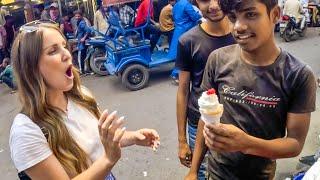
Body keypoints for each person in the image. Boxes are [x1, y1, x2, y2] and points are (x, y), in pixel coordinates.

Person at [9, 21, 160, 179]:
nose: (67, 54)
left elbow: (102, 140)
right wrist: (108, 160)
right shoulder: (25, 132)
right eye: (53, 51)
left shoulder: (81, 95)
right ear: (31, 68)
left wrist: (134, 137)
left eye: (64, 46)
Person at [188, 0, 317, 179]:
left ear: (275, 15)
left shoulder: (297, 74)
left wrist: (246, 144)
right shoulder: (218, 60)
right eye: (233, 17)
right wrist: (194, 171)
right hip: (215, 174)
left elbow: (294, 143)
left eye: (250, 14)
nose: (239, 27)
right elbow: (206, 118)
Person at [176, 0, 235, 179]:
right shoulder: (188, 41)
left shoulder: (242, 35)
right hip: (199, 125)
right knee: (201, 172)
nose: (214, 5)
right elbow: (183, 91)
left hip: (237, 122)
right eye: (205, 0)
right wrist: (182, 141)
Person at [169, 0, 202, 82]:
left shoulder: (175, 5)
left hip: (178, 31)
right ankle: (177, 74)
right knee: (188, 53)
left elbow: (174, 17)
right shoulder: (186, 4)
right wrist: (199, 15)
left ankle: (176, 73)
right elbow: (194, 17)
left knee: (180, 53)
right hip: (187, 30)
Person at [74, 10, 91, 75]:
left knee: (80, 57)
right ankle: (84, 70)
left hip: (82, 44)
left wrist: (83, 38)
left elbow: (88, 30)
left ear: (81, 16)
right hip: (81, 43)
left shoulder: (82, 23)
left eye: (78, 16)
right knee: (83, 57)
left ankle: (82, 71)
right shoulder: (79, 22)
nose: (77, 17)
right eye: (76, 16)